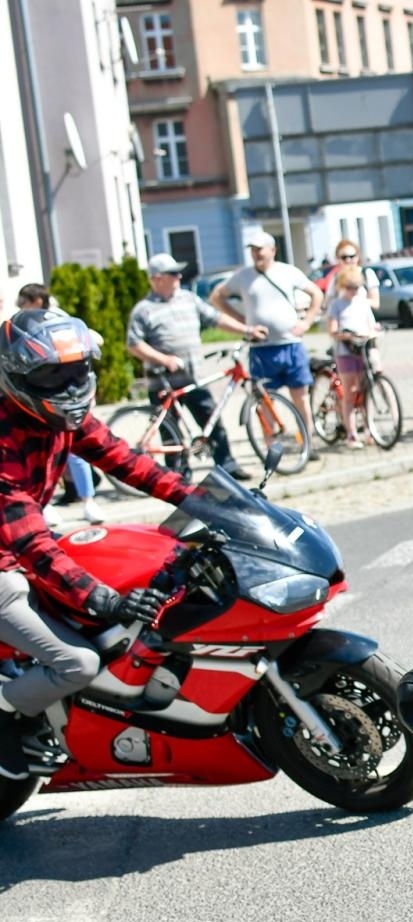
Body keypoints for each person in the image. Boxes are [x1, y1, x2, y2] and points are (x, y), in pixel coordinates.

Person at [0, 310, 197, 780]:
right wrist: (106, 599)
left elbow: (125, 460)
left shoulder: (59, 416)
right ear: (17, 376)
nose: (68, 384)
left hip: (22, 551)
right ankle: (5, 714)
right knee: (78, 661)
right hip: (6, 565)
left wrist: (206, 501)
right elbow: (31, 544)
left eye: (76, 370)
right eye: (52, 374)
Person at [127, 253, 265, 480]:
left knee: (211, 418)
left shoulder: (188, 299)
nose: (178, 277)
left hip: (192, 376)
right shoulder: (144, 309)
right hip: (163, 379)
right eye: (172, 273)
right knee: (170, 429)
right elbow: (134, 344)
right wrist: (164, 360)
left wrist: (248, 330)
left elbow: (216, 318)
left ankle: (226, 465)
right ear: (157, 278)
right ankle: (179, 474)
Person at [212, 231, 323, 457]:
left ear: (272, 250)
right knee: (264, 401)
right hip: (261, 349)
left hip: (290, 344)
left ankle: (308, 444)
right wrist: (242, 321)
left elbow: (316, 294)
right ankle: (271, 450)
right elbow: (217, 297)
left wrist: (307, 321)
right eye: (252, 250)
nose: (256, 254)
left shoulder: (287, 272)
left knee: (300, 397)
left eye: (260, 249)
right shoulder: (242, 276)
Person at [14, 284, 105, 523]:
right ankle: (44, 505)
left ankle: (89, 501)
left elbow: (94, 339)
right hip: (39, 399)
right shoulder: (16, 323)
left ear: (36, 300)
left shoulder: (58, 319)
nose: (19, 305)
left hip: (66, 397)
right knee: (41, 455)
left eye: (23, 300)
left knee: (75, 452)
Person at [324, 265, 382, 447]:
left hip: (362, 350)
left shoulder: (362, 302)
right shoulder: (336, 304)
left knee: (365, 392)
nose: (353, 291)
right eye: (349, 287)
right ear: (341, 286)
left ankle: (368, 429)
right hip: (345, 352)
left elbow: (371, 324)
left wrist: (373, 332)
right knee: (349, 393)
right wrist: (346, 335)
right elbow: (332, 330)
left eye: (356, 287)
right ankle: (351, 433)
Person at [331, 239, 381, 309]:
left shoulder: (367, 273)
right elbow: (329, 303)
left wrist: (353, 300)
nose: (348, 260)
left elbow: (376, 304)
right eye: (344, 257)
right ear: (338, 259)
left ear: (357, 257)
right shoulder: (336, 277)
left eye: (351, 256)